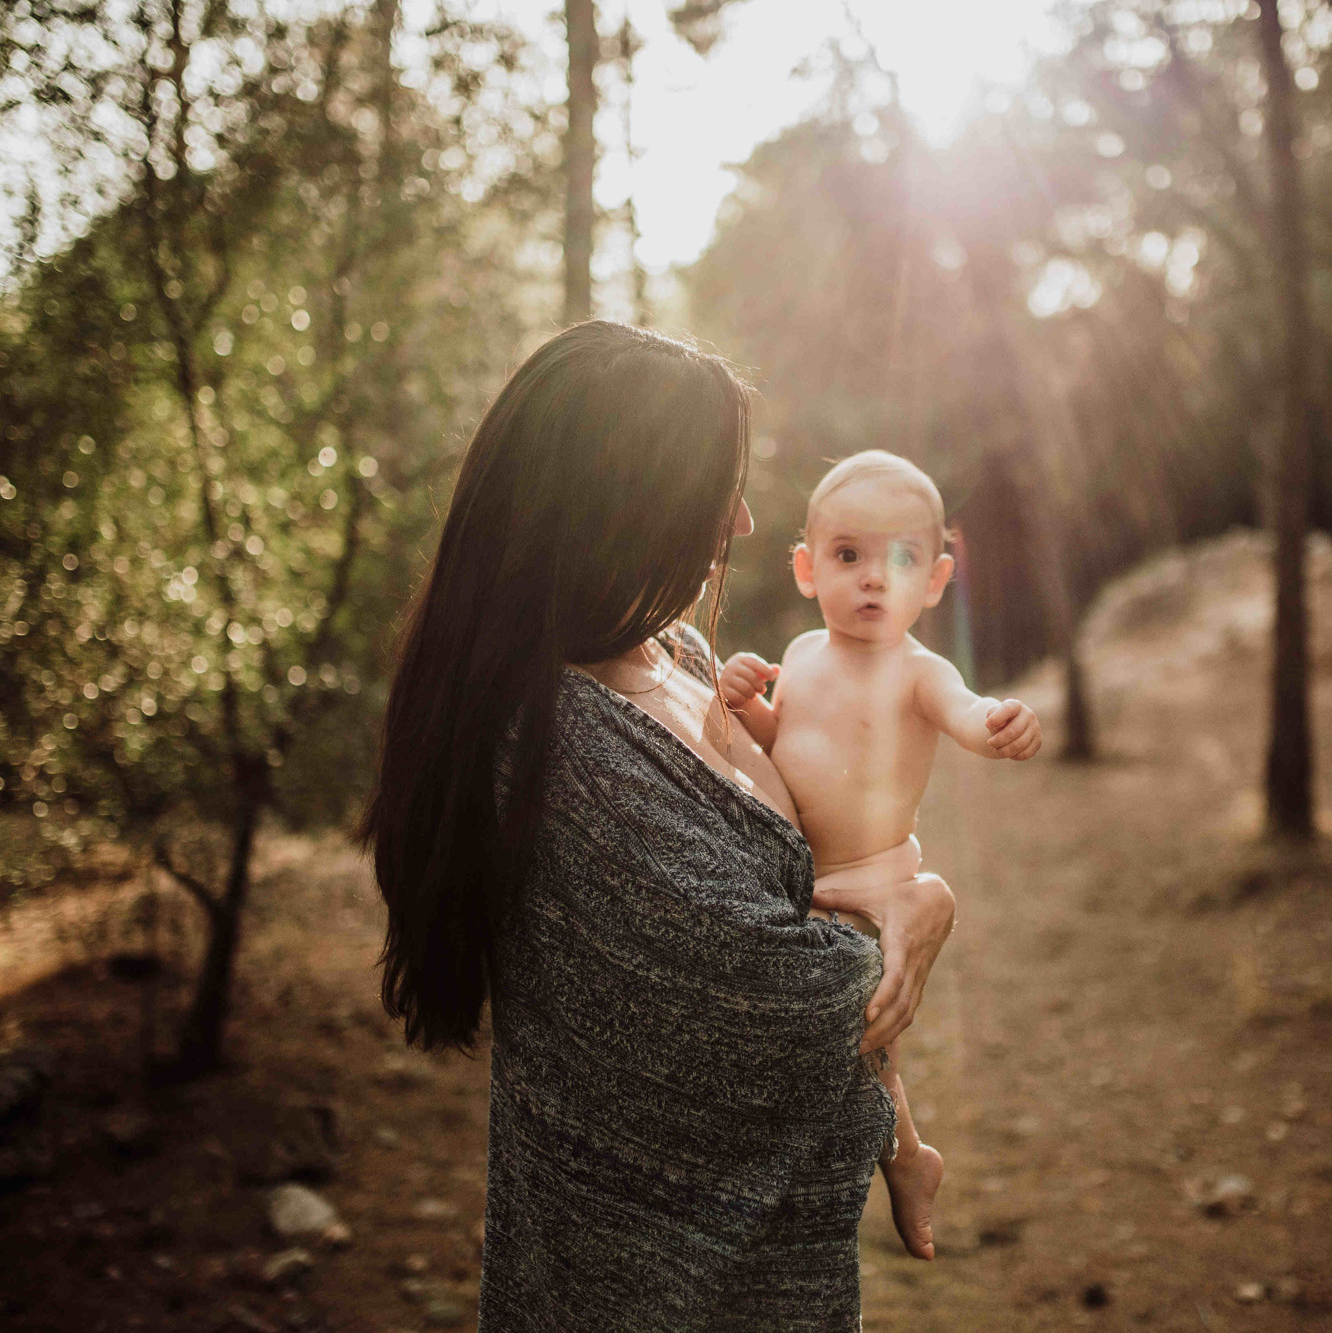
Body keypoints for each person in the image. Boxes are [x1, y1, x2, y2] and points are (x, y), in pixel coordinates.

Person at [361, 323, 956, 1331]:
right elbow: (780, 1003)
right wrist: (914, 912)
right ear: (623, 501)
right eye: (716, 490)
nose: (741, 521)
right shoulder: (558, 747)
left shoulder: (672, 651)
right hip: (642, 1283)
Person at [716, 450, 1043, 1262]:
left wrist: (999, 723)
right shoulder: (798, 655)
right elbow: (777, 742)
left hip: (872, 893)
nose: (872, 581)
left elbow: (966, 714)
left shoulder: (919, 671)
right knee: (823, 1042)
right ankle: (880, 1158)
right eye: (849, 556)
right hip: (802, 889)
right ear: (806, 567)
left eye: (899, 561)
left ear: (935, 581)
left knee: (860, 1040)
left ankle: (905, 1160)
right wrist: (744, 701)